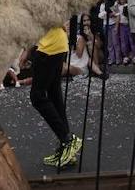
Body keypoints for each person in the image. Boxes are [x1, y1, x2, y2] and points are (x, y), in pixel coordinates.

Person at [32, 24, 81, 170]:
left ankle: (67, 139)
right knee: (54, 96)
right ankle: (67, 150)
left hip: (48, 48)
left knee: (37, 97)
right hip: (58, 44)